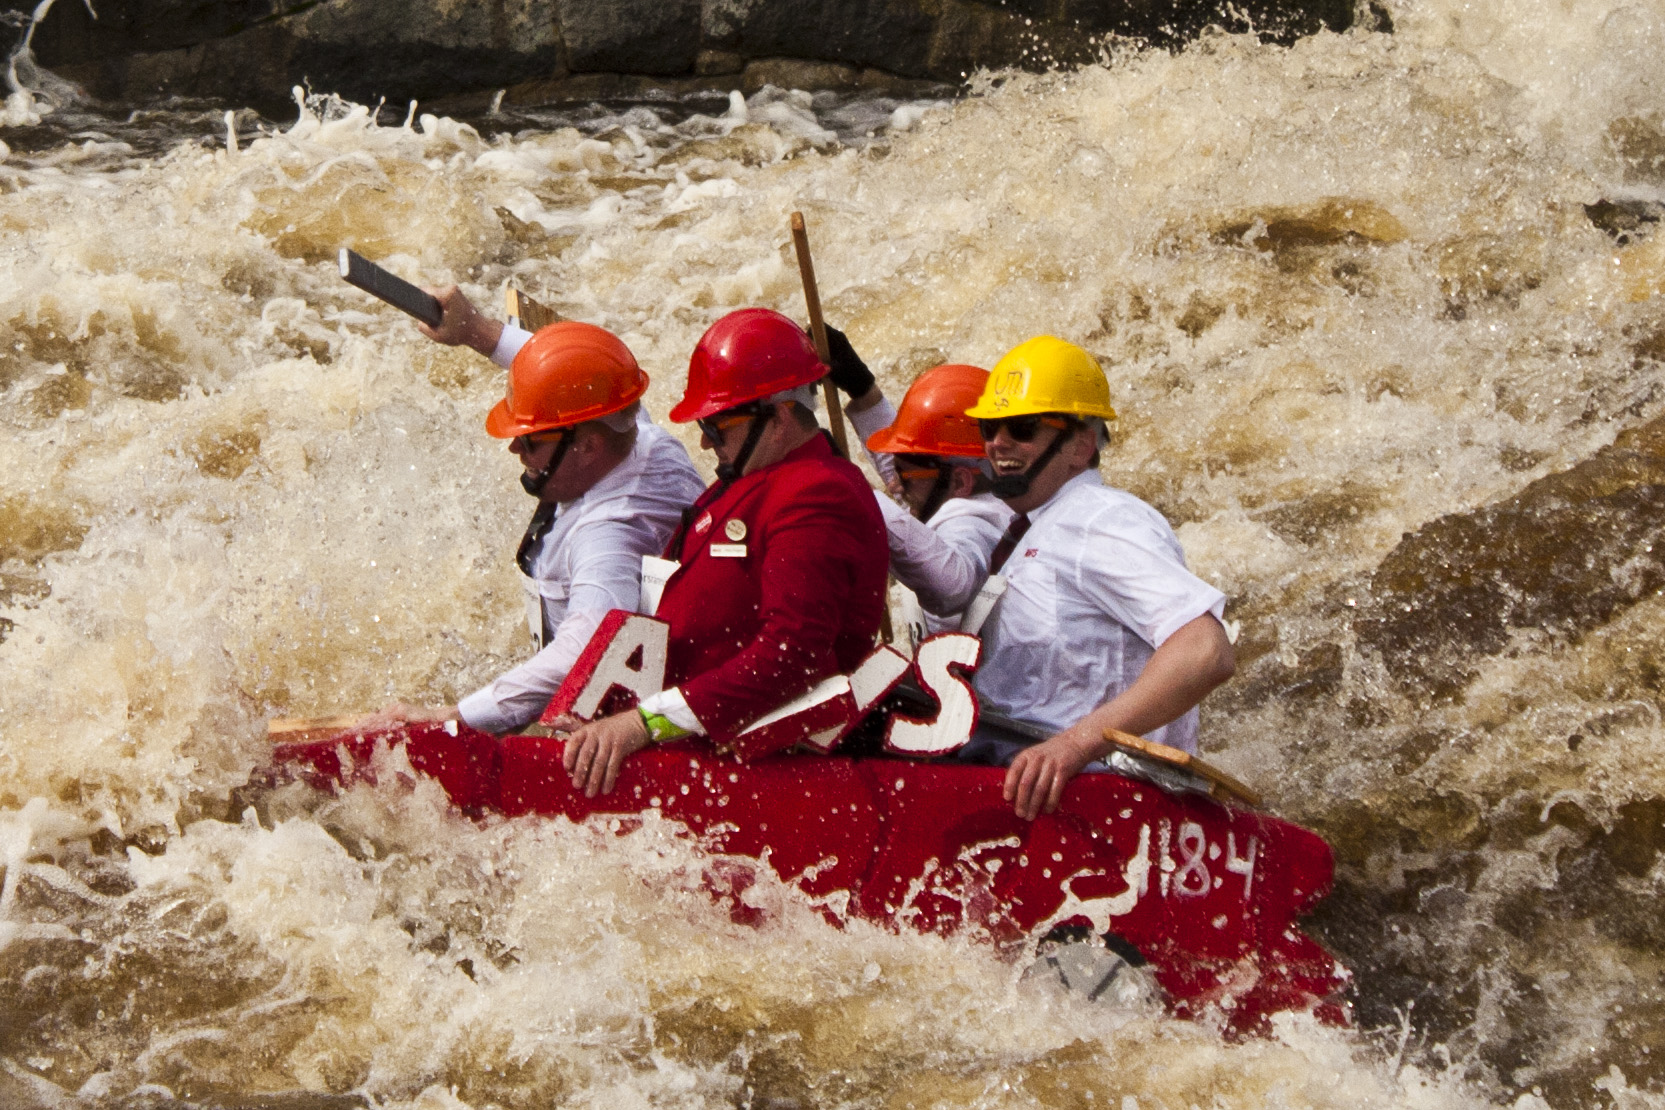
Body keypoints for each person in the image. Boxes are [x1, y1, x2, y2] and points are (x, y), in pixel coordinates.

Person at [560, 308, 890, 796]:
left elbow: (791, 654)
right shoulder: (754, 477)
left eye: (717, 425)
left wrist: (644, 724)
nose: (704, 440)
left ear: (778, 417)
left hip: (761, 766)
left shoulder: (817, 493)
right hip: (689, 738)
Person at [358, 289, 704, 734]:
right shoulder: (636, 432)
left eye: (532, 439)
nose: (515, 447)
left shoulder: (611, 533)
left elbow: (585, 650)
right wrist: (476, 331)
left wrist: (456, 719)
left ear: (587, 444)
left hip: (619, 715)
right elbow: (576, 372)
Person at [941, 336, 1235, 820]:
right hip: (1032, 779)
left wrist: (1074, 746)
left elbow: (1205, 651)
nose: (997, 444)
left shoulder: (1099, 518)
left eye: (1021, 427)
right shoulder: (1037, 528)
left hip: (1095, 796)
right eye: (989, 427)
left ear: (1079, 446)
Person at [860, 362, 1013, 635]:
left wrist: (852, 490)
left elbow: (952, 584)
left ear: (960, 481)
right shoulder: (987, 500)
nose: (894, 484)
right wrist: (863, 394)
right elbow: (918, 471)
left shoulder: (974, 525)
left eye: (903, 476)